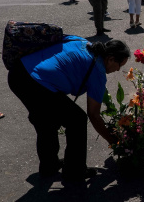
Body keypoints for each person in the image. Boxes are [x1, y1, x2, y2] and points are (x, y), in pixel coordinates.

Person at [8, 37, 130, 186]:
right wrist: (113, 141)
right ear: (110, 59)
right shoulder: (97, 70)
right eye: (119, 65)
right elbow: (94, 115)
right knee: (77, 119)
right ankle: (74, 171)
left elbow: (61, 38)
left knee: (46, 120)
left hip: (19, 72)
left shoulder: (83, 43)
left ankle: (49, 166)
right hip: (36, 82)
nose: (117, 70)